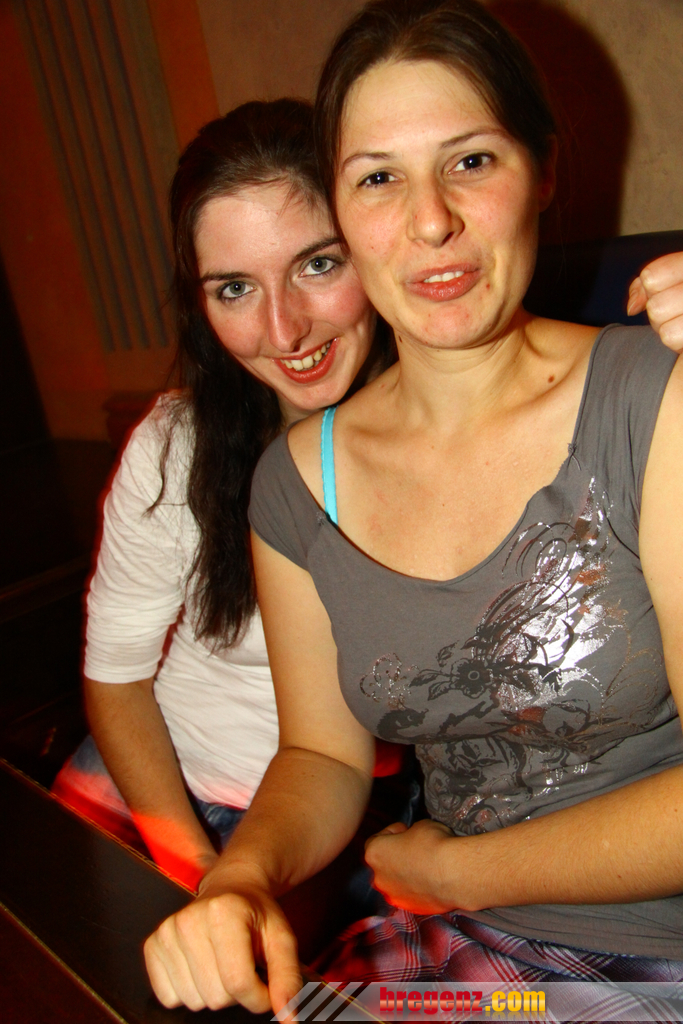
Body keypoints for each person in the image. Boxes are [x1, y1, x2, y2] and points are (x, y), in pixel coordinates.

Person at [142, 0, 683, 1014]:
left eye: (470, 160)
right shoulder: (297, 482)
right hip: (455, 945)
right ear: (340, 214)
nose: (430, 220)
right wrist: (238, 881)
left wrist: (455, 873)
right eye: (378, 178)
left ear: (541, 170)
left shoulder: (654, 396)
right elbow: (319, 754)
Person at [52, 98, 391, 891]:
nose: (284, 330)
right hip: (154, 796)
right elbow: (118, 680)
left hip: (326, 828)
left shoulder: (454, 437)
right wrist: (200, 873)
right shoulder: (178, 448)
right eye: (235, 287)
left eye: (317, 265)